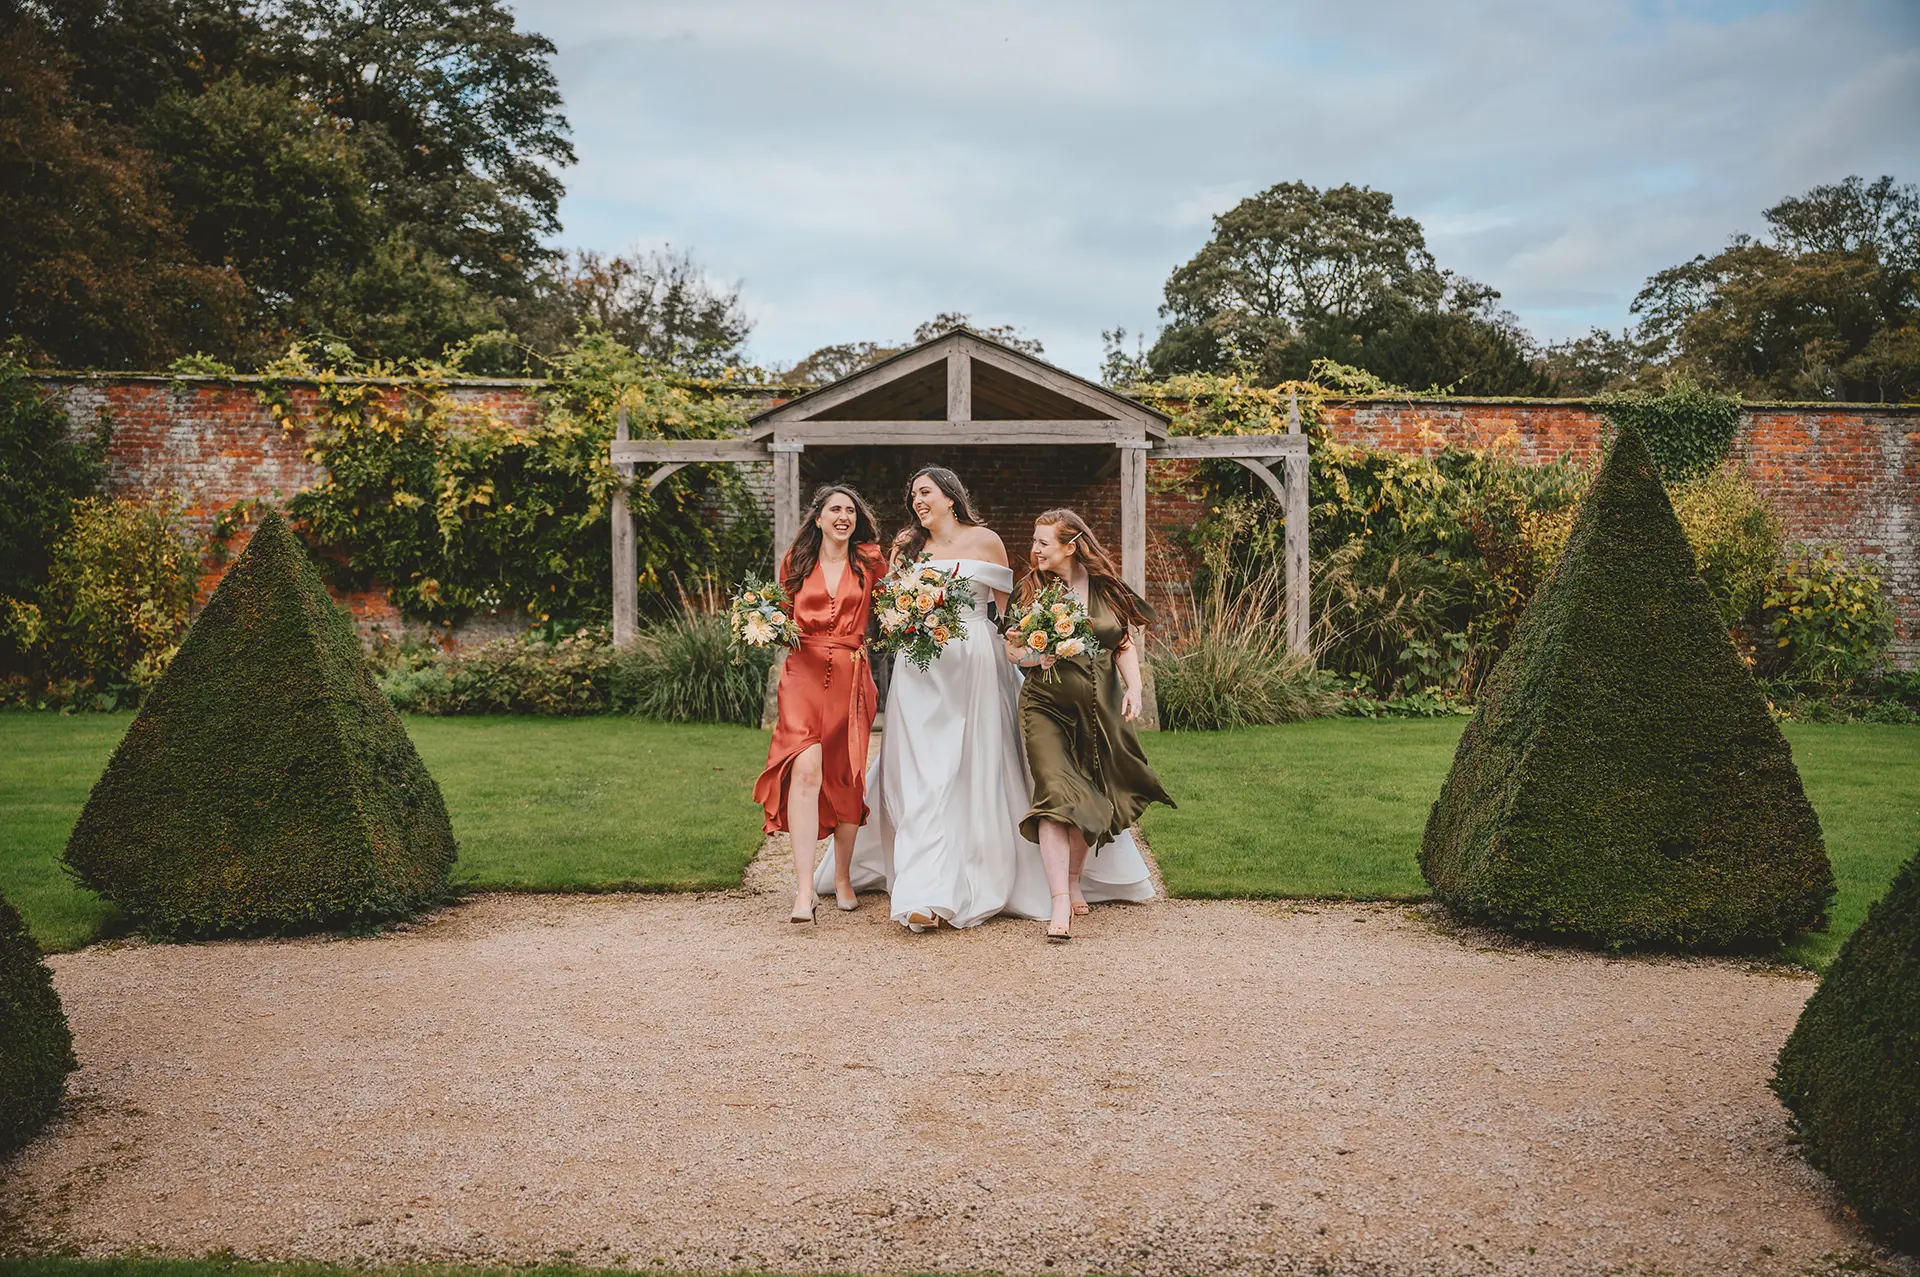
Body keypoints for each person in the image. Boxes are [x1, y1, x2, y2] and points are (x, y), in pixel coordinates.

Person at [819, 466, 1050, 931]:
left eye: (925, 493)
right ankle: (924, 890)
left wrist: (1023, 651)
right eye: (913, 496)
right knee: (925, 773)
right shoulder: (908, 547)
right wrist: (906, 614)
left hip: (976, 667)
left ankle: (979, 871)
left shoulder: (987, 541)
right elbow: (888, 610)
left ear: (950, 496)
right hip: (920, 670)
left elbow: (1008, 617)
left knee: (973, 767)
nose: (917, 501)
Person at [1006, 509, 1173, 942]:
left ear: (1070, 545)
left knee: (1094, 796)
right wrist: (1032, 657)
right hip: (1045, 707)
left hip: (1100, 711)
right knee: (1055, 794)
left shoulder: (1106, 588)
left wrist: (1134, 689)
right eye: (1035, 541)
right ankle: (1059, 901)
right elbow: (1012, 651)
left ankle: (1075, 877)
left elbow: (1122, 644)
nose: (1035, 549)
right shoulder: (1030, 590)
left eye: (1043, 542)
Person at [753, 484, 886, 923]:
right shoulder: (797, 561)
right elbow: (777, 612)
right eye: (835, 509)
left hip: (851, 676)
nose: (843, 516)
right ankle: (805, 889)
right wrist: (759, 622)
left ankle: (842, 876)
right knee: (806, 769)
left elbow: (893, 608)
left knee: (847, 774)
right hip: (801, 675)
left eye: (850, 509)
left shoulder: (869, 561)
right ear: (819, 518)